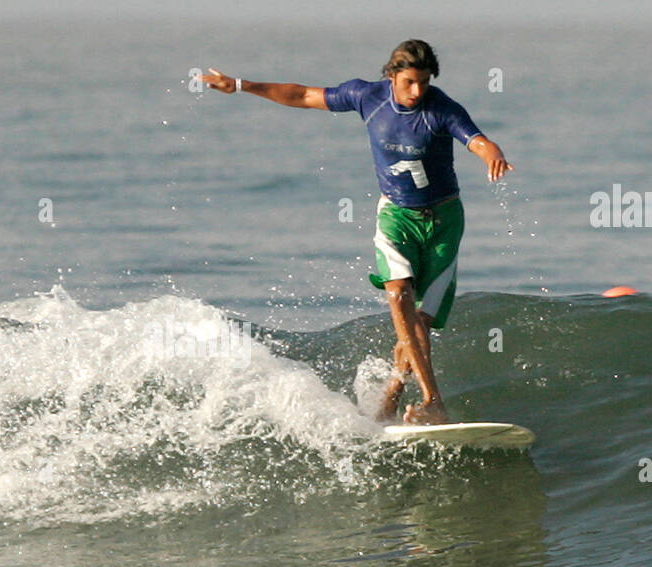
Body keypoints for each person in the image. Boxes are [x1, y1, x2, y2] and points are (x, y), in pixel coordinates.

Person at [201, 40, 513, 424]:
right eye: (410, 82)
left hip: (444, 222)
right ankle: (433, 400)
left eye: (425, 82)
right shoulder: (367, 97)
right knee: (398, 294)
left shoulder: (441, 108)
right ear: (392, 76)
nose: (418, 91)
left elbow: (476, 139)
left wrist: (492, 152)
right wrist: (241, 84)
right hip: (397, 216)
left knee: (418, 325)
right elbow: (301, 94)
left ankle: (389, 402)